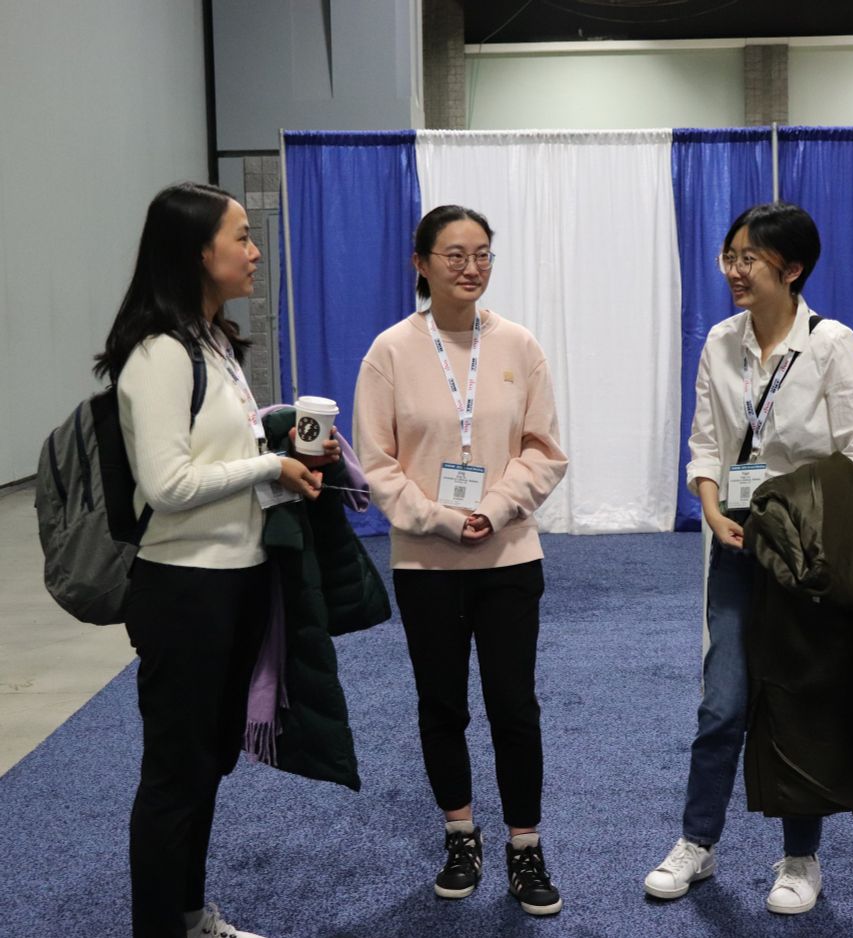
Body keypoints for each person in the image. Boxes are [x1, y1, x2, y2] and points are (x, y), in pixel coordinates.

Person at [95, 182, 335, 938]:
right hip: (183, 592)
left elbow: (213, 455)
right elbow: (168, 486)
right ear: (198, 252)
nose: (255, 249)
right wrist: (267, 469)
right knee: (176, 776)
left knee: (205, 767)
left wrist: (276, 446)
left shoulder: (214, 342)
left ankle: (190, 915)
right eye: (240, 236)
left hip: (234, 583)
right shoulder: (160, 352)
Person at [643, 202, 853, 915]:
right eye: (730, 256)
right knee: (722, 702)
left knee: (799, 701)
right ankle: (698, 842)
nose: (735, 271)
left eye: (749, 259)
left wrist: (814, 530)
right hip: (737, 544)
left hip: (804, 553)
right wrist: (712, 510)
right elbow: (707, 441)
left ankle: (800, 858)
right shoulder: (719, 341)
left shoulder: (831, 343)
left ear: (792, 269)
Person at [353, 205, 569, 916]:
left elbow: (544, 450)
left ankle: (525, 845)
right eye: (453, 255)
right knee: (442, 706)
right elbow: (376, 466)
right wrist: (441, 518)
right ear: (421, 264)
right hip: (427, 562)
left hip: (508, 556)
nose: (470, 267)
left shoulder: (519, 345)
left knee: (516, 707)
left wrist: (495, 507)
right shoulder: (389, 352)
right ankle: (460, 836)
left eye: (482, 254)